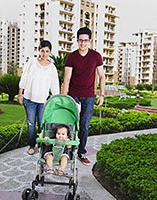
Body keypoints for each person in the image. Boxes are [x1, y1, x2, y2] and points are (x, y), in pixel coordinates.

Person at [62, 27, 105, 166]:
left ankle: (81, 152)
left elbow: (102, 76)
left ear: (89, 41)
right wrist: (64, 97)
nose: (82, 43)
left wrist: (101, 94)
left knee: (85, 126)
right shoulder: (72, 57)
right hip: (73, 96)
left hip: (88, 97)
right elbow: (66, 79)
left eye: (85, 41)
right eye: (80, 40)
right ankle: (67, 151)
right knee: (70, 125)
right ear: (77, 40)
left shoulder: (96, 56)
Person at [18, 40, 60, 155]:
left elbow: (55, 85)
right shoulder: (31, 62)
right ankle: (32, 145)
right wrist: (20, 93)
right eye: (42, 51)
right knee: (31, 124)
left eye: (47, 51)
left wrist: (55, 100)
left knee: (42, 124)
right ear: (39, 51)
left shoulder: (52, 68)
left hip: (43, 102)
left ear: (50, 52)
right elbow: (24, 78)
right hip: (29, 99)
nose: (44, 54)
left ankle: (42, 145)